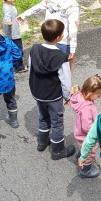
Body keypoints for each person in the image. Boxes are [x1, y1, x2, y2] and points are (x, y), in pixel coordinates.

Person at [27, 19, 76, 159]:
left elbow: (31, 70)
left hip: (38, 92)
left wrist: (33, 88)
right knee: (57, 121)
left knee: (43, 116)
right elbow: (65, 81)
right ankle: (57, 150)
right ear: (58, 37)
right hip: (53, 96)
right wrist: (67, 96)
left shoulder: (34, 49)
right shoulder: (61, 57)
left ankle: (42, 142)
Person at [17, 0, 82, 71]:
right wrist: (73, 49)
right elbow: (73, 27)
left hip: (49, 37)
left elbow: (39, 6)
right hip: (63, 40)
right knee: (65, 70)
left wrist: (23, 15)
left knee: (50, 67)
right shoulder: (73, 5)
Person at [70, 74, 101, 178]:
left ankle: (81, 153)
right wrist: (97, 131)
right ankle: (85, 170)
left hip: (80, 132)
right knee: (89, 152)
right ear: (90, 93)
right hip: (86, 135)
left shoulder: (81, 96)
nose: (98, 97)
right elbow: (87, 127)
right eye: (98, 95)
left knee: (83, 147)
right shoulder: (86, 108)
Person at [1, 0, 27, 73]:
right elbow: (6, 17)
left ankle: (12, 65)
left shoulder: (9, 5)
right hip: (13, 34)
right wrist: (8, 21)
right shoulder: (7, 8)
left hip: (15, 32)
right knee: (18, 51)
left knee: (12, 50)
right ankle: (19, 67)